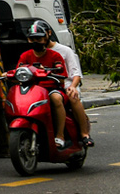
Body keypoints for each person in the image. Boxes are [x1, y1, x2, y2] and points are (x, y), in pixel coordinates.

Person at [16, 19, 92, 149]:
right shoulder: (27, 55)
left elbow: (74, 73)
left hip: (61, 84)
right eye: (32, 39)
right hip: (37, 86)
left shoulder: (60, 52)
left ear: (47, 35)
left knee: (70, 97)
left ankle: (82, 134)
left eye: (39, 38)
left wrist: (72, 86)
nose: (36, 42)